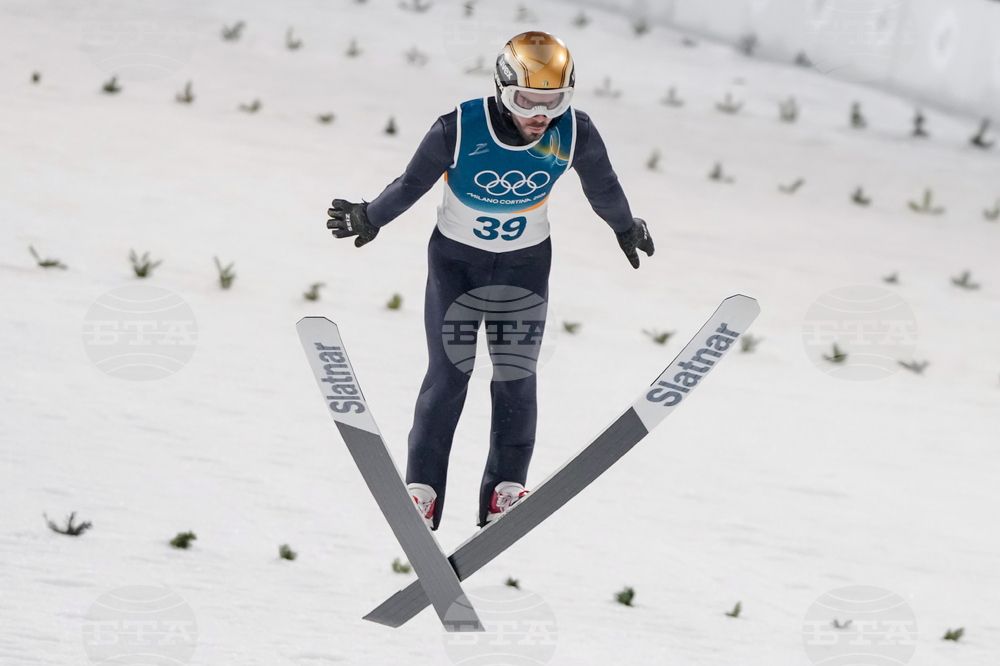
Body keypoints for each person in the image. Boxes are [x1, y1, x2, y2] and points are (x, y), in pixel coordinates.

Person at [327, 31, 654, 530]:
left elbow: (603, 185)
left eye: (555, 101)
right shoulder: (457, 129)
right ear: (502, 88)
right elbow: (411, 184)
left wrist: (625, 226)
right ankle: (423, 490)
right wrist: (370, 216)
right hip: (457, 266)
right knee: (449, 374)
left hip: (524, 268)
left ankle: (504, 489)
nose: (541, 113)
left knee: (517, 377)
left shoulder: (575, 133)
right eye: (528, 99)